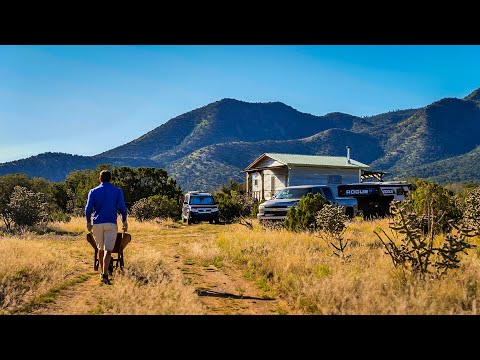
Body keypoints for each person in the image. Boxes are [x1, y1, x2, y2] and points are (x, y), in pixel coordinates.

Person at [85, 170, 128, 284]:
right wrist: (124, 221)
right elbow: (122, 208)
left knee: (99, 248)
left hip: (97, 223)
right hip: (111, 223)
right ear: (111, 179)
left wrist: (88, 222)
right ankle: (104, 274)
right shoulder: (117, 191)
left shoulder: (93, 191)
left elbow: (88, 209)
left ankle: (102, 271)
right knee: (108, 250)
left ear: (100, 179)